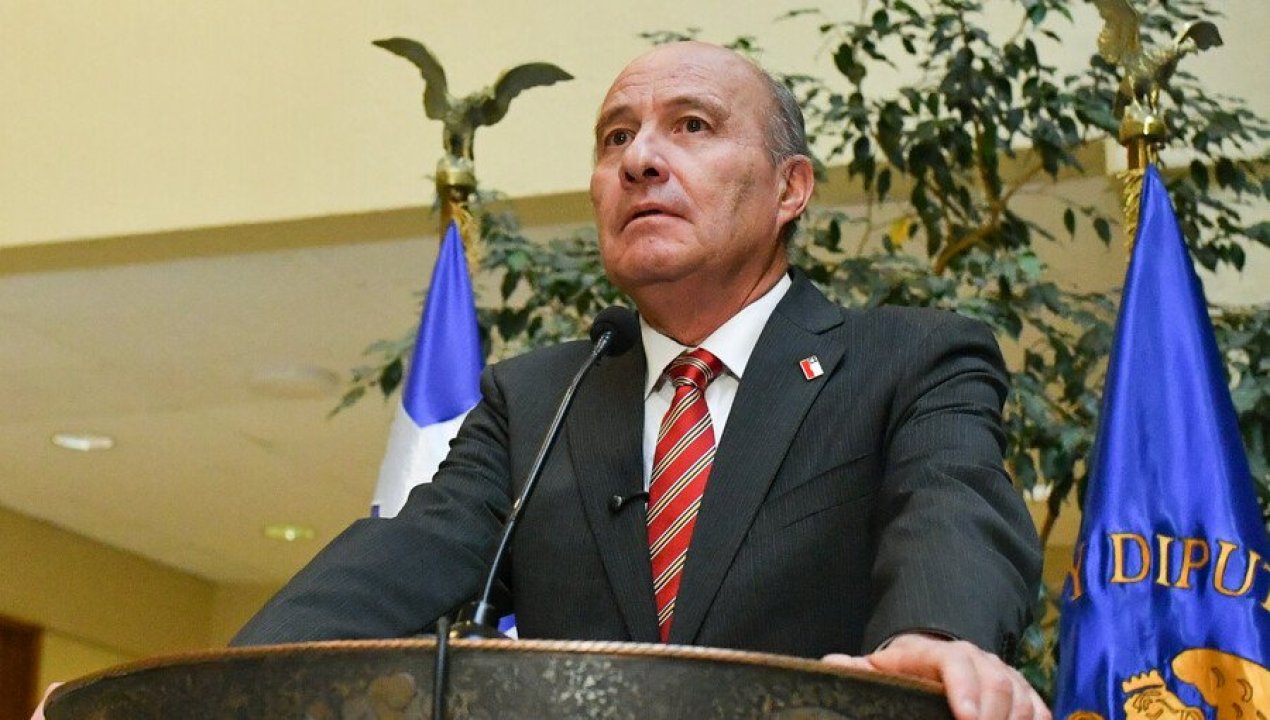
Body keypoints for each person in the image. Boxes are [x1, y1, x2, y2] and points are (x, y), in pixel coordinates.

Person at [36, 41, 1047, 720]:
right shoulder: (540, 399)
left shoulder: (909, 360)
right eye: (616, 137)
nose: (641, 160)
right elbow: (397, 566)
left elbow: (949, 504)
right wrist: (197, 696)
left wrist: (938, 636)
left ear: (791, 188)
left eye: (692, 126)